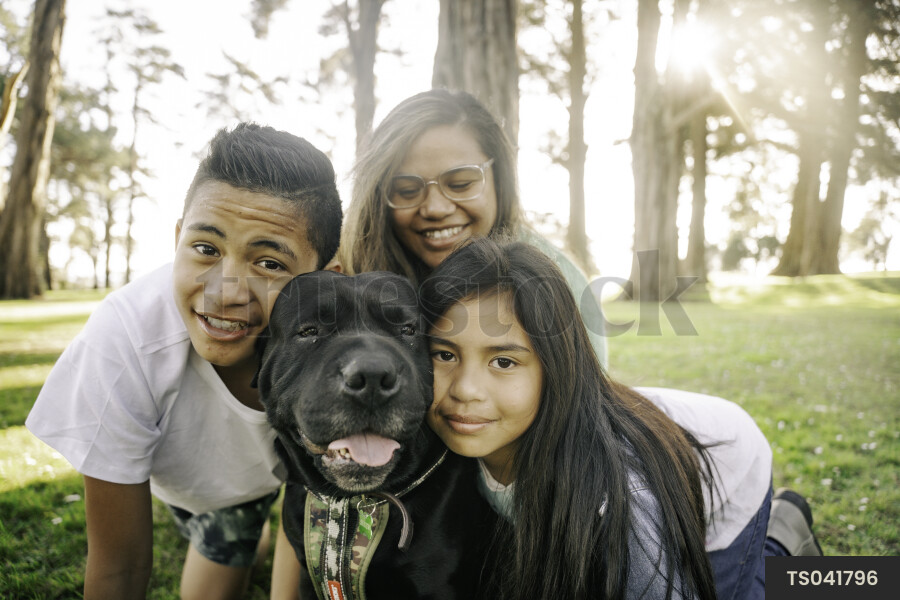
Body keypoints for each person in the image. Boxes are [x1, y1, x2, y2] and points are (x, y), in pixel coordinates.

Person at [26, 123, 343, 600]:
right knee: (225, 553)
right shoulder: (124, 340)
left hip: (278, 478)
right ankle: (243, 534)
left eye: (269, 263)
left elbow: (312, 505)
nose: (224, 292)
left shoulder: (343, 344)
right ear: (178, 239)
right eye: (206, 249)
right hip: (198, 489)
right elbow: (119, 566)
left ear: (326, 281)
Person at [420, 237, 719, 600]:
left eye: (503, 362)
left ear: (555, 367)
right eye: (445, 355)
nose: (465, 390)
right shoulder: (435, 445)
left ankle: (780, 538)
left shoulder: (620, 495)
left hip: (728, 473)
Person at [338, 87, 609, 368]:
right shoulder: (344, 276)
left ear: (499, 179)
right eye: (407, 190)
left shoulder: (559, 282)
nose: (435, 208)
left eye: (461, 184)